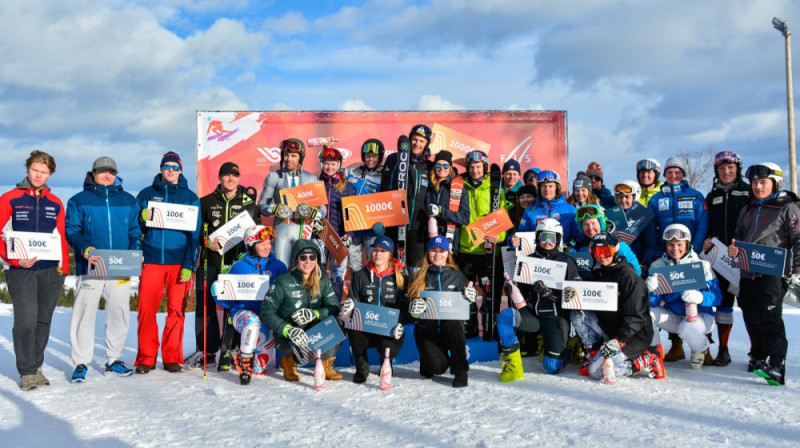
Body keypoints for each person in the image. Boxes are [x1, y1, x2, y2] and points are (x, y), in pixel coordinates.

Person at [66, 156, 141, 383]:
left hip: (120, 265)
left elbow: (135, 230)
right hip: (91, 264)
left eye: (111, 172)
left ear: (116, 174)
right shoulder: (79, 200)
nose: (107, 175)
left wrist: (134, 250)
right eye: (102, 171)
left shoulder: (128, 200)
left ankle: (113, 359)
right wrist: (83, 248)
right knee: (84, 312)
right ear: (93, 174)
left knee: (118, 311)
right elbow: (71, 230)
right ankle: (80, 362)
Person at [0, 150, 69, 391]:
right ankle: (27, 371)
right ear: (28, 169)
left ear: (50, 173)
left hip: (51, 271)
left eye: (44, 171)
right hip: (21, 271)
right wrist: (14, 260)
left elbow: (61, 237)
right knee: (26, 320)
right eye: (35, 170)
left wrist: (64, 268)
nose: (39, 175)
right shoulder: (10, 198)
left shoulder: (56, 202)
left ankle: (37, 366)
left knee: (42, 320)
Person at [728, 162, 800, 386]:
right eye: (755, 183)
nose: (758, 187)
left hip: (773, 273)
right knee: (751, 316)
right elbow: (738, 237)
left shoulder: (788, 208)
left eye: (763, 183)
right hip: (747, 271)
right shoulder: (747, 209)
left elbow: (798, 240)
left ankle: (776, 365)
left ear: (775, 183)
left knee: (770, 318)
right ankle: (758, 357)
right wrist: (733, 248)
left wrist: (797, 269)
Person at [187, 161, 260, 371]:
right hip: (212, 261)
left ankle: (233, 348)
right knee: (206, 305)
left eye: (234, 176)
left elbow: (256, 231)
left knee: (236, 306)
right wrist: (205, 240)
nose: (230, 179)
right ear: (219, 178)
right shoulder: (206, 202)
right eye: (227, 175)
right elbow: (195, 229)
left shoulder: (248, 203)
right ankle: (207, 350)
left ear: (239, 178)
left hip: (237, 265)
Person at [135, 152, 201, 373]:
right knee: (146, 309)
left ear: (181, 170)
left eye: (174, 167)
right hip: (151, 260)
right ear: (161, 168)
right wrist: (141, 218)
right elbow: (135, 230)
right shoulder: (146, 194)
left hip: (178, 262)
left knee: (176, 311)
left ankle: (172, 356)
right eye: (167, 166)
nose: (171, 170)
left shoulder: (190, 197)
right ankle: (146, 357)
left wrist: (188, 265)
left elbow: (194, 235)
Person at [570, 233, 664, 381]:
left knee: (596, 372)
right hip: (611, 327)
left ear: (615, 251)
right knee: (578, 314)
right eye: (597, 252)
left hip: (634, 336)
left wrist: (619, 341)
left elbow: (636, 318)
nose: (601, 256)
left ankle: (649, 358)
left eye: (606, 252)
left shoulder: (629, 277)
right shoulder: (599, 272)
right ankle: (595, 353)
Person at [501, 219, 582, 380]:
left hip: (555, 317)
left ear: (558, 240)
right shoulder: (528, 260)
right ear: (537, 238)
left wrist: (550, 295)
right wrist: (512, 288)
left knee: (550, 368)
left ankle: (568, 349)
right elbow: (521, 295)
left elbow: (576, 296)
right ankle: (512, 362)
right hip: (534, 315)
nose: (547, 242)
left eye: (552, 238)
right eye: (543, 237)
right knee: (505, 317)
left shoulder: (566, 261)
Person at [646, 156, 708, 362]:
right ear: (664, 174)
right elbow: (651, 228)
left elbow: (702, 224)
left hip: (690, 254)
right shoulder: (656, 199)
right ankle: (676, 345)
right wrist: (656, 252)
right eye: (670, 172)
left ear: (683, 174)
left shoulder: (695, 196)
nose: (673, 175)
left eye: (677, 172)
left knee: (694, 297)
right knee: (671, 298)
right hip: (666, 254)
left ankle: (703, 348)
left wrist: (695, 250)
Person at [212, 225, 287, 385]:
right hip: (243, 315)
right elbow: (228, 301)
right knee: (252, 322)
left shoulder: (279, 267)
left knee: (259, 370)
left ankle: (241, 353)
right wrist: (218, 293)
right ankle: (245, 363)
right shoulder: (239, 267)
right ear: (251, 245)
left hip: (268, 317)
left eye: (269, 243)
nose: (267, 247)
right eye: (262, 244)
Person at [260, 239, 342, 382]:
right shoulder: (283, 281)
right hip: (290, 336)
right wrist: (288, 330)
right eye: (303, 257)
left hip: (313, 332)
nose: (308, 261)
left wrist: (314, 314)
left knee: (338, 323)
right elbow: (266, 311)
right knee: (293, 347)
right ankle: (289, 361)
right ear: (295, 259)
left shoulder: (322, 280)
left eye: (312, 257)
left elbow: (334, 307)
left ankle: (325, 363)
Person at [646, 224, 722, 370]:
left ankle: (702, 346)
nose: (675, 249)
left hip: (700, 316)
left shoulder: (702, 265)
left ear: (687, 244)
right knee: (647, 314)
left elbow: (717, 297)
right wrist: (649, 290)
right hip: (674, 315)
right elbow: (653, 303)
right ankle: (653, 354)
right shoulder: (658, 266)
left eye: (679, 244)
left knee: (686, 329)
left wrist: (701, 297)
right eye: (670, 245)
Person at [701, 151, 749, 366]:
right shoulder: (712, 196)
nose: (726, 172)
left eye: (730, 168)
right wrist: (708, 239)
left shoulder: (749, 193)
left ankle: (756, 351)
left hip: (745, 257)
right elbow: (708, 224)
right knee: (724, 305)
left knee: (750, 307)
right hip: (721, 259)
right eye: (722, 168)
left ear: (737, 168)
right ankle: (724, 349)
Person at [407, 235, 476, 387]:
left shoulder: (458, 277)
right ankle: (428, 362)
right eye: (433, 250)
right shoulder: (418, 277)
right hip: (427, 329)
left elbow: (467, 310)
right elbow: (409, 311)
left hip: (449, 329)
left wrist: (471, 301)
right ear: (427, 253)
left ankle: (460, 371)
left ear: (448, 253)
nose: (437, 255)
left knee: (454, 324)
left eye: (441, 250)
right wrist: (412, 310)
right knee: (438, 368)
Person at [457, 150, 510, 339]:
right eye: (471, 167)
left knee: (491, 293)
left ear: (485, 168)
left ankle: (491, 327)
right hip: (466, 249)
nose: (474, 170)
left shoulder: (494, 188)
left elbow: (503, 217)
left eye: (478, 167)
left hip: (488, 251)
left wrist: (500, 237)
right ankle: (468, 326)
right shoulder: (460, 186)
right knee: (466, 291)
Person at [340, 236, 407, 383]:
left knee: (389, 345)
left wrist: (400, 323)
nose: (378, 254)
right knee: (354, 326)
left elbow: (405, 307)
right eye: (375, 250)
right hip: (366, 326)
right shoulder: (361, 275)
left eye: (383, 251)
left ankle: (386, 362)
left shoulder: (400, 277)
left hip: (388, 328)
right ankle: (362, 366)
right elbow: (353, 299)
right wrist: (348, 308)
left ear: (390, 254)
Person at [258, 138, 326, 268]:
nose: (289, 159)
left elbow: (323, 209)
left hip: (303, 228)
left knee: (302, 270)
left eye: (293, 156)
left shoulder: (311, 178)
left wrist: (314, 213)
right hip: (282, 228)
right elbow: (262, 206)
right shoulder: (274, 177)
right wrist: (273, 208)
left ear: (300, 158)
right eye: (286, 155)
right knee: (280, 268)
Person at [381, 124, 434, 269]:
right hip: (394, 222)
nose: (417, 144)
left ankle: (413, 292)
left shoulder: (429, 167)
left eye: (422, 141)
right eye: (415, 140)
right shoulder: (394, 159)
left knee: (415, 267)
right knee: (392, 265)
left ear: (427, 144)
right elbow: (385, 187)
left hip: (417, 226)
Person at [318, 146, 355, 300]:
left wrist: (349, 235)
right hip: (319, 235)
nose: (329, 167)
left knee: (337, 277)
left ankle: (336, 309)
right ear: (321, 164)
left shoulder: (347, 187)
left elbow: (351, 215)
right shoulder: (316, 183)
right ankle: (317, 307)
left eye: (333, 164)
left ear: (339, 165)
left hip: (338, 238)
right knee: (317, 273)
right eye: (326, 163)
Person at [345, 138, 386, 270]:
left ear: (380, 157)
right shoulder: (352, 172)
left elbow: (390, 201)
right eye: (368, 156)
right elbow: (331, 172)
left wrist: (383, 223)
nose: (370, 159)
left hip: (371, 229)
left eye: (374, 156)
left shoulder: (385, 175)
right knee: (354, 266)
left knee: (373, 264)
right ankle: (356, 290)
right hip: (353, 229)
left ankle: (371, 290)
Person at [571, 204, 642, 276]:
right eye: (586, 224)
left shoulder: (617, 245)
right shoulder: (578, 245)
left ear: (601, 224)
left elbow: (636, 271)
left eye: (593, 223)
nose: (590, 228)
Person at [517, 170, 580, 248]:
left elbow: (579, 236)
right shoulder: (530, 211)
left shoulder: (571, 210)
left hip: (564, 256)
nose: (547, 189)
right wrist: (513, 241)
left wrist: (570, 246)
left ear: (557, 188)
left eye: (550, 186)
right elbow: (521, 236)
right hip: (538, 257)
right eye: (544, 186)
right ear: (539, 188)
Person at [424, 150, 469, 253]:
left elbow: (465, 218)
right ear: (434, 166)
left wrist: (441, 211)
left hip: (449, 240)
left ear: (450, 167)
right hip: (430, 239)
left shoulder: (457, 187)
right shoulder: (428, 186)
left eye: (445, 165)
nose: (442, 168)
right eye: (438, 165)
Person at [612, 180, 658, 269]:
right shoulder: (612, 215)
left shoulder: (643, 215)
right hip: (615, 264)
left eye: (627, 197)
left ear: (634, 197)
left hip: (636, 263)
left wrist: (645, 263)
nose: (623, 200)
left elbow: (651, 244)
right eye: (620, 197)